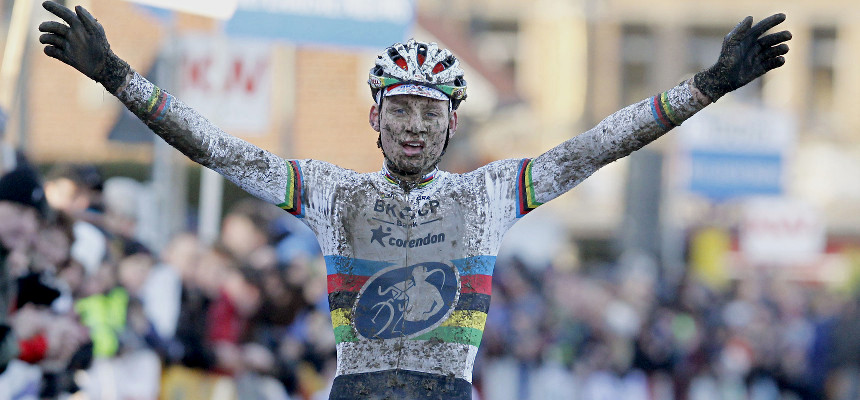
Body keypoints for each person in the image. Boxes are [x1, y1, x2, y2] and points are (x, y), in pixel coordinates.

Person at [38, 1, 791, 398]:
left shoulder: (491, 192)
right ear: (375, 117)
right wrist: (119, 79)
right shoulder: (332, 193)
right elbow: (219, 149)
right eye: (400, 109)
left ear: (452, 124)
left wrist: (706, 87)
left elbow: (596, 146)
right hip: (355, 391)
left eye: (431, 113)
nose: (414, 125)